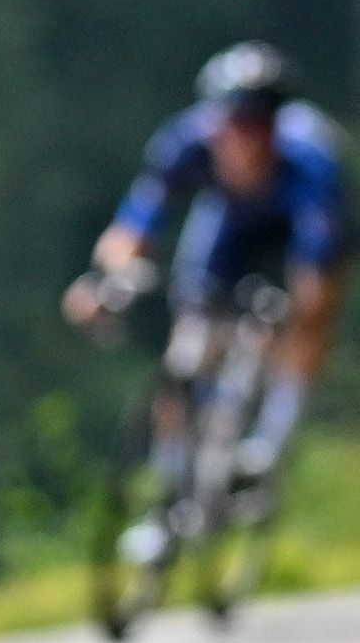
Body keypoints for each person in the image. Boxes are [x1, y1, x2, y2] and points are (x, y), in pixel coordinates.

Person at [63, 41, 350, 484]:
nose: (246, 138)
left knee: (312, 321)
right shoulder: (186, 144)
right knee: (190, 339)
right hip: (229, 224)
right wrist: (104, 281)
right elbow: (134, 227)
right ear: (215, 122)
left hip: (293, 231)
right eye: (236, 122)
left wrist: (298, 320)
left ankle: (270, 446)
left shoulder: (310, 165)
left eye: (260, 123)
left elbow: (317, 275)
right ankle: (170, 492)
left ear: (278, 126)